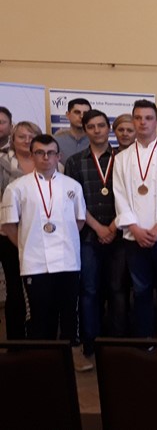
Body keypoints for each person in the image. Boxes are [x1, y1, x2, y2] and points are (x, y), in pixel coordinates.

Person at [1, 134, 89, 371]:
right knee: (39, 313)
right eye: (40, 152)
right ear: (32, 156)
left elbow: (79, 220)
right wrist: (28, 246)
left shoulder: (72, 186)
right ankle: (42, 356)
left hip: (68, 261)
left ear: (58, 156)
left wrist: (63, 241)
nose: (46, 157)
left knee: (70, 310)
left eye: (51, 153)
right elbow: (8, 226)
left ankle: (74, 352)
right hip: (35, 263)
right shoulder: (17, 188)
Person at [114, 100, 157, 341]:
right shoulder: (122, 159)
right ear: (133, 121)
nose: (143, 122)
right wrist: (134, 228)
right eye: (138, 118)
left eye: (148, 118)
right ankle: (144, 337)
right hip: (134, 236)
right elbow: (120, 195)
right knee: (141, 289)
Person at [65, 110, 128, 356]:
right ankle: (90, 342)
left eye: (101, 125)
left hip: (119, 235)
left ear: (108, 128)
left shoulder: (124, 159)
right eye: (91, 126)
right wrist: (99, 228)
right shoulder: (74, 161)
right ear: (85, 130)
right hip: (89, 237)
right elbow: (73, 201)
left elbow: (130, 199)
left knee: (117, 289)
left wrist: (112, 227)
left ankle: (117, 341)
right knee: (89, 290)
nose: (97, 130)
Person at [0, 121, 42, 341]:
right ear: (12, 139)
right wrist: (16, 237)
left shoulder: (50, 162)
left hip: (40, 236)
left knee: (40, 289)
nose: (27, 141)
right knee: (15, 288)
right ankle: (16, 342)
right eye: (21, 137)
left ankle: (40, 337)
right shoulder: (2, 164)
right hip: (9, 235)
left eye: (31, 137)